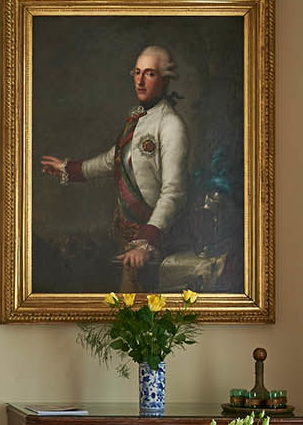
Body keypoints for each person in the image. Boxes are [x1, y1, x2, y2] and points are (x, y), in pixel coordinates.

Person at [39, 45, 190, 291]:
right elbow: (114, 159)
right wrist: (69, 169)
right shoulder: (137, 118)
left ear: (164, 80)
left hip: (154, 238)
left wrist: (147, 243)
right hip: (127, 235)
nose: (140, 81)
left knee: (141, 304)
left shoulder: (171, 125)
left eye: (150, 74)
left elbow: (174, 192)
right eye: (137, 73)